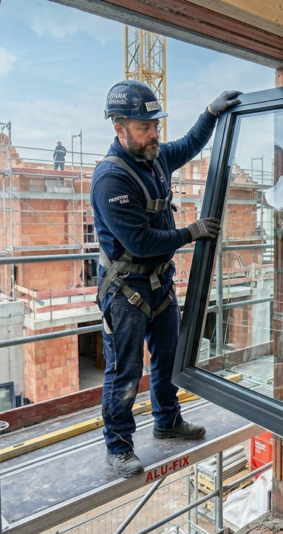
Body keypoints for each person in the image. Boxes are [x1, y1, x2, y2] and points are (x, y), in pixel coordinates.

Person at [91, 79, 241, 478]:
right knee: (124, 371)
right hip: (126, 292)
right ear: (119, 129)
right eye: (144, 127)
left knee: (168, 358)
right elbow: (140, 241)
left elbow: (189, 144)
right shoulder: (111, 179)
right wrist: (190, 233)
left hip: (158, 283)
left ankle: (167, 421)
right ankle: (119, 446)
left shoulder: (155, 156)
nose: (154, 133)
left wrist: (210, 114)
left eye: (155, 124)